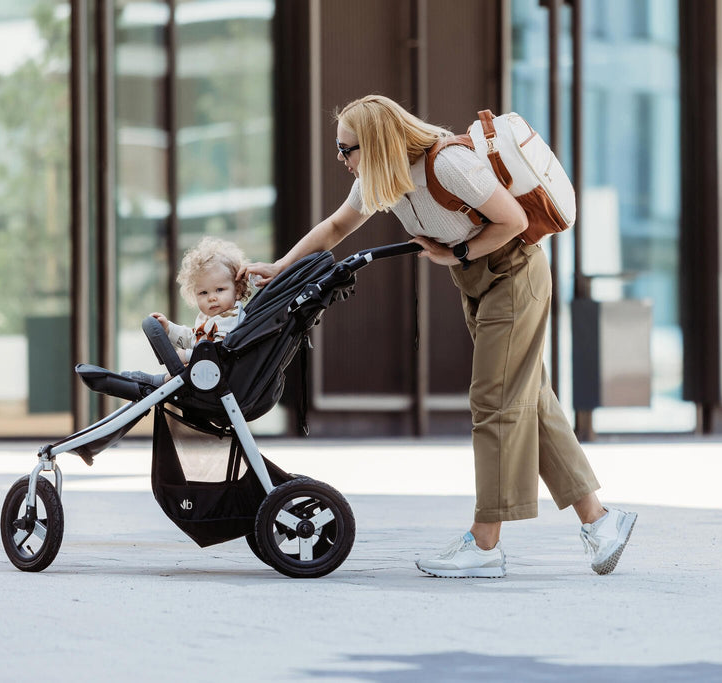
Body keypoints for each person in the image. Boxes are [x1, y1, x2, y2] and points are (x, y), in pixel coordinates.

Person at [238, 95, 636, 578]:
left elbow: (512, 221)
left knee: (495, 402)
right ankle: (600, 521)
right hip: (476, 281)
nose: (341, 159)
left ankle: (485, 545)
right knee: (529, 399)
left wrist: (457, 254)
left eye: (347, 149)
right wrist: (280, 267)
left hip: (513, 274)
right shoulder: (380, 178)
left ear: (378, 143)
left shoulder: (448, 164)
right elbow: (338, 226)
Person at [125, 236, 250, 386]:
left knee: (184, 371)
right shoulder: (211, 317)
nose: (212, 298)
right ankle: (157, 382)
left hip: (219, 378)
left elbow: (220, 352)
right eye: (203, 293)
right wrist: (169, 329)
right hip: (207, 374)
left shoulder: (231, 318)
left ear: (238, 289)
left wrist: (188, 355)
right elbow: (193, 338)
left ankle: (157, 383)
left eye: (219, 290)